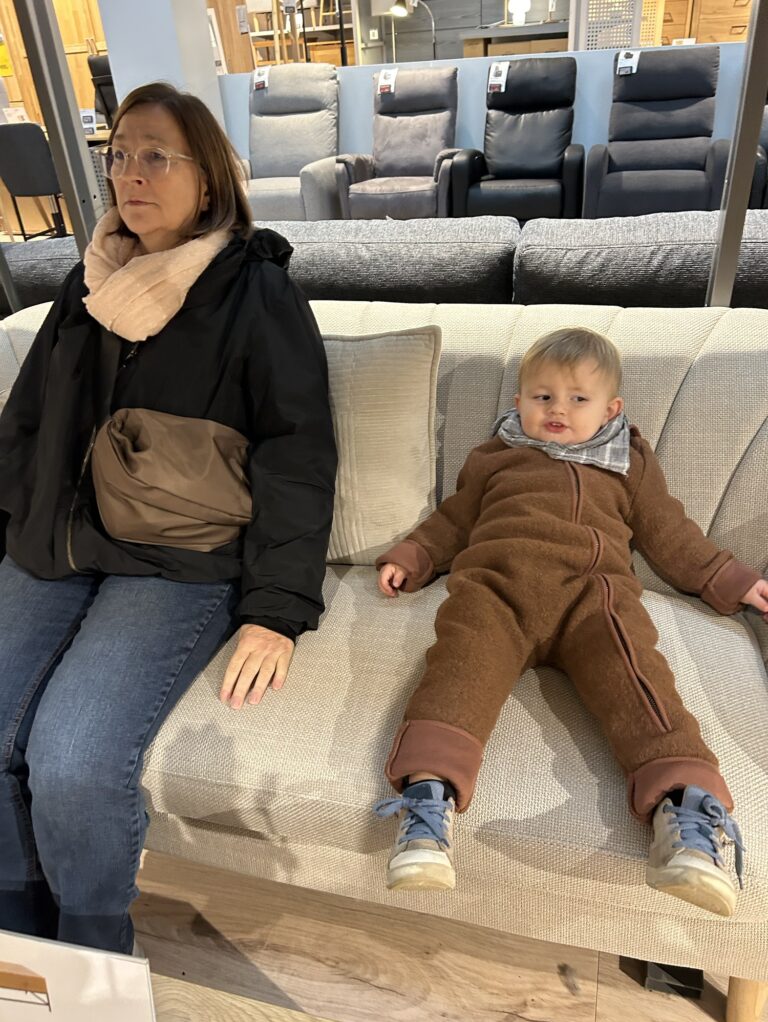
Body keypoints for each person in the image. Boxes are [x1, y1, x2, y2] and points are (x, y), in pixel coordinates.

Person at [0, 82, 337, 954]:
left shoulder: (255, 291)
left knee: (74, 760)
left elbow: (297, 451)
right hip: (53, 543)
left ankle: (88, 962)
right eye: (119, 155)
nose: (131, 174)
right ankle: (20, 947)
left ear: (208, 178)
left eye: (157, 155)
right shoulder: (86, 283)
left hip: (175, 557)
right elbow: (28, 421)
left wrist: (275, 609)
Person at [373, 328, 767, 917]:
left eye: (578, 399)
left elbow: (670, 534)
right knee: (458, 669)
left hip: (593, 594)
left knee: (637, 676)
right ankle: (427, 807)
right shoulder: (494, 456)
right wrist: (412, 556)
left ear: (611, 409)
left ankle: (685, 812)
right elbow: (453, 522)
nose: (558, 409)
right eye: (543, 397)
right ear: (519, 403)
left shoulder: (628, 461)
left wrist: (731, 579)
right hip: (497, 588)